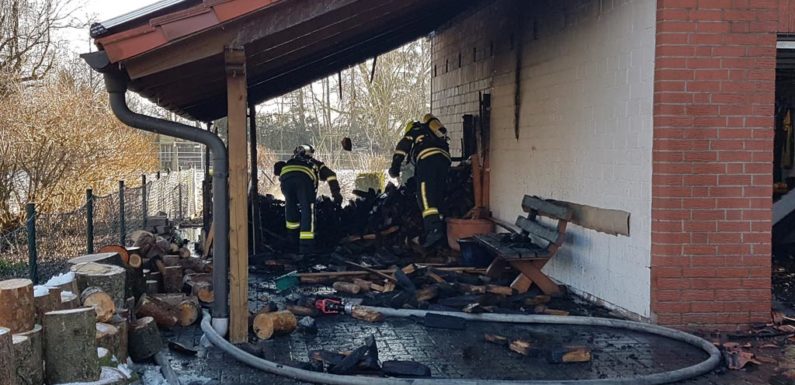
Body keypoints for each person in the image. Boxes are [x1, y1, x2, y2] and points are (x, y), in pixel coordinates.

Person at [388, 113, 451, 248]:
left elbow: (401, 149)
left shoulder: (415, 130)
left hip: (427, 160)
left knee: (424, 195)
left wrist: (394, 168)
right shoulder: (433, 134)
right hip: (445, 161)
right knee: (437, 194)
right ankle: (440, 231)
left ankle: (434, 230)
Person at [275, 144, 343, 254]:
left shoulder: (291, 161)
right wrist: (336, 194)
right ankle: (306, 247)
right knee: (308, 211)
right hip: (304, 181)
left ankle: (292, 241)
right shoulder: (314, 163)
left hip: (286, 180)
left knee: (290, 208)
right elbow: (331, 175)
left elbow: (277, 170)